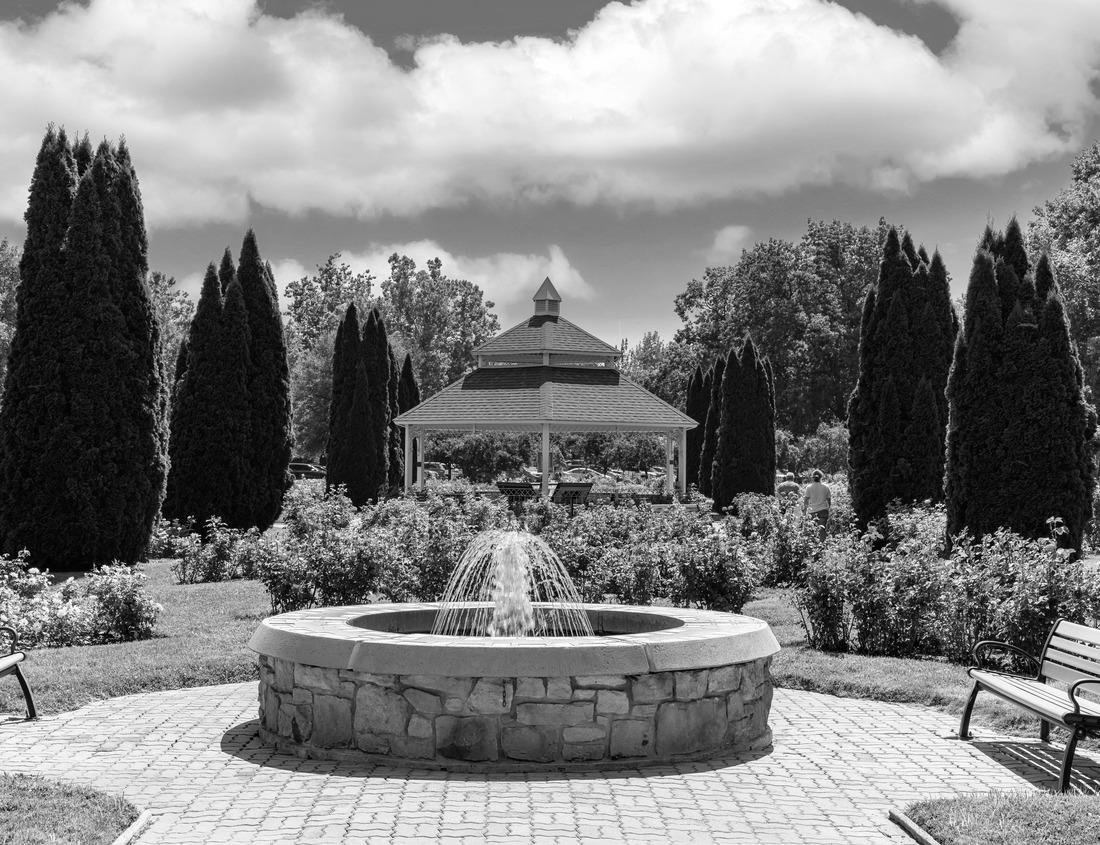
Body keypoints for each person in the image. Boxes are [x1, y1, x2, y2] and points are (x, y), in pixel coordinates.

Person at [802, 470, 831, 538]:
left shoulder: (809, 487)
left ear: (813, 478)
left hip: (812, 511)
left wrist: (804, 512)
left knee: (812, 530)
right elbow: (829, 500)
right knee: (822, 530)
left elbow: (806, 500)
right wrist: (828, 509)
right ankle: (822, 545)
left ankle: (814, 546)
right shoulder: (826, 487)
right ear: (821, 477)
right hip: (823, 511)